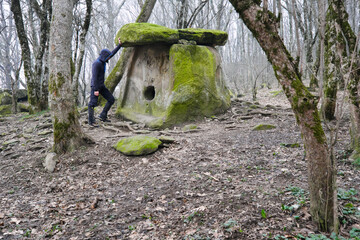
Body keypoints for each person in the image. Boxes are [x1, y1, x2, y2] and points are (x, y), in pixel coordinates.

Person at [88, 37, 122, 127]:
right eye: (107, 57)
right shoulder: (97, 63)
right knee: (92, 104)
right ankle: (91, 122)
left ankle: (103, 116)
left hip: (101, 86)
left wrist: (119, 45)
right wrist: (95, 90)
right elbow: (94, 77)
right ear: (103, 56)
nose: (109, 58)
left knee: (111, 99)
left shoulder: (103, 61)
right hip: (95, 86)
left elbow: (112, 54)